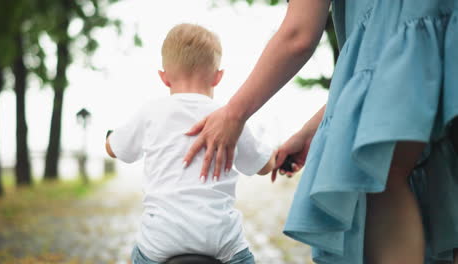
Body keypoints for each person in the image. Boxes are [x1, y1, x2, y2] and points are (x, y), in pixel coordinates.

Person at [183, 0, 458, 263]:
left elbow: (298, 35)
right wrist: (309, 131)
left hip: (401, 38)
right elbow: (394, 74)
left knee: (381, 174)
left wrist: (234, 113)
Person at [105, 23, 276, 264]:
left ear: (164, 78)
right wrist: (276, 156)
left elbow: (115, 148)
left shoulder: (151, 111)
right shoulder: (229, 118)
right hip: (220, 238)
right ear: (218, 77)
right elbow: (264, 164)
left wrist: (109, 139)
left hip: (160, 239)